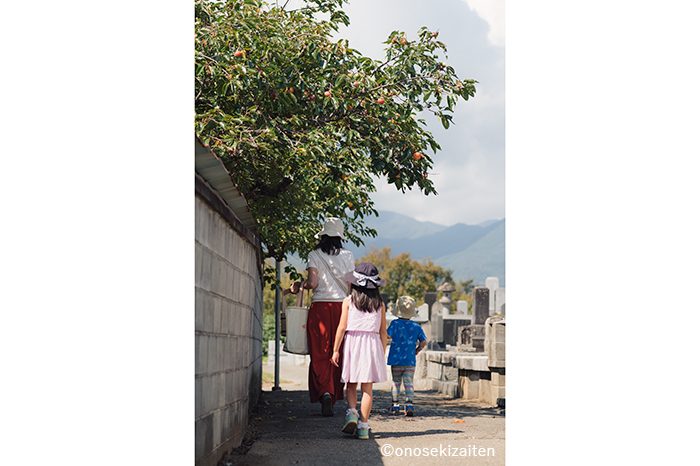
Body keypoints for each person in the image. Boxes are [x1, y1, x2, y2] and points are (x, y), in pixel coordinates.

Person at [291, 218, 355, 416]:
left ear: (323, 235)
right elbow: (352, 284)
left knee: (320, 351)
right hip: (343, 307)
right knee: (338, 351)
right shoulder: (348, 255)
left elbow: (313, 282)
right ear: (340, 236)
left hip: (320, 307)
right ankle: (334, 392)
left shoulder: (314, 254)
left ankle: (325, 391)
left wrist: (300, 285)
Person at [330, 262, 388, 440]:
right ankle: (363, 426)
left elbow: (341, 327)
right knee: (368, 388)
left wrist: (335, 350)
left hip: (353, 343)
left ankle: (352, 413)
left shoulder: (348, 302)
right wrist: (382, 351)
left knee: (351, 383)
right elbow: (383, 332)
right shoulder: (380, 304)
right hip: (372, 344)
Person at [387, 296, 427, 417]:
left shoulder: (394, 324)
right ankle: (409, 405)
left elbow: (387, 336)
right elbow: (424, 342)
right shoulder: (416, 327)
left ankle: (395, 405)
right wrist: (417, 349)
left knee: (396, 382)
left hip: (396, 359)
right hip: (410, 360)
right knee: (409, 383)